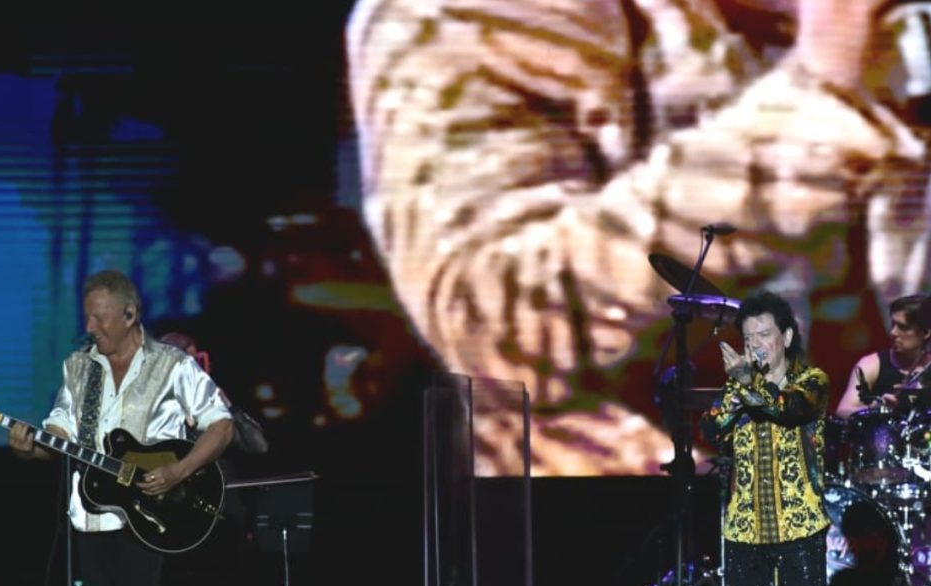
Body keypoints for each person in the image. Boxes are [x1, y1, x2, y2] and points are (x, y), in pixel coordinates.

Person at [346, 0, 931, 475]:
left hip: (880, 511)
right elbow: (492, 317)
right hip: (619, 544)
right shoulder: (463, 14)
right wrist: (820, 99)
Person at [8, 271, 234, 586]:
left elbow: (221, 423)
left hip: (151, 515)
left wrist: (180, 469)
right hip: (93, 515)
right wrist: (30, 447)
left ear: (130, 314)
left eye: (99, 316)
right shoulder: (78, 369)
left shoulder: (171, 365)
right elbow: (60, 433)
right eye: (87, 315)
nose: (90, 326)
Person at [700, 291, 830, 586]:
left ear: (786, 337)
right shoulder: (736, 389)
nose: (755, 345)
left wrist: (749, 384)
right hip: (744, 527)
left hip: (800, 523)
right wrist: (739, 390)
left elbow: (790, 409)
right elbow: (710, 427)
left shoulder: (812, 381)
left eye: (764, 335)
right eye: (747, 338)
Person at [835, 294, 931, 417]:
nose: (893, 332)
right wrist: (877, 409)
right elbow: (842, 410)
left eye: (902, 327)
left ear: (926, 332)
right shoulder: (871, 365)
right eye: (893, 325)